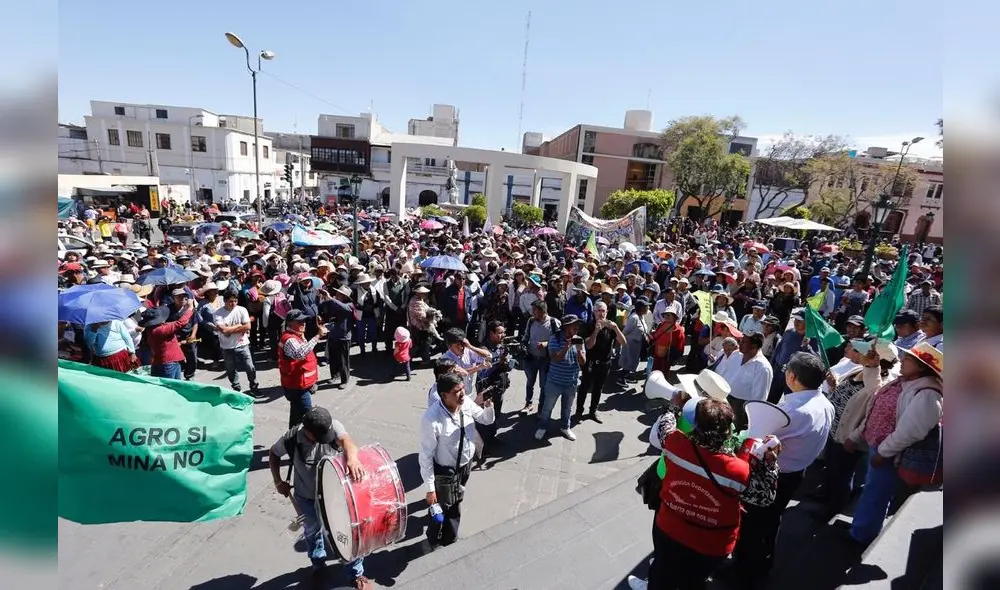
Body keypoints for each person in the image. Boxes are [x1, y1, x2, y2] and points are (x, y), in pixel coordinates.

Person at [628, 398, 780, 590]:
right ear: (729, 430)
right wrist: (771, 463)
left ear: (696, 426)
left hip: (669, 528)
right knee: (694, 581)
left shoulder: (676, 443)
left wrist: (675, 405)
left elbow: (664, 426)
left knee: (662, 571)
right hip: (712, 543)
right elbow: (765, 497)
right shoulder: (739, 470)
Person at [730, 352, 833, 584]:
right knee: (771, 520)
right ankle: (763, 562)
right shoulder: (824, 403)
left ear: (793, 377)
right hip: (796, 473)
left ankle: (744, 572)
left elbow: (759, 440)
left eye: (787, 369)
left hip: (775, 475)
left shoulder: (793, 411)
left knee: (753, 524)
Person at [845, 342, 942, 545]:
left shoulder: (928, 394)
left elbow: (910, 431)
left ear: (922, 367)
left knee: (876, 494)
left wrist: (884, 452)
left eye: (908, 359)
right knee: (872, 490)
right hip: (877, 446)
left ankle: (860, 537)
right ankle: (861, 527)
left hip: (889, 454)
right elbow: (876, 393)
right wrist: (872, 367)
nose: (903, 361)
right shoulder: (904, 381)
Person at [268, 407, 371, 589]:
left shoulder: (332, 427)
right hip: (306, 497)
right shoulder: (291, 439)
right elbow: (273, 454)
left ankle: (357, 574)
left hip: (335, 497)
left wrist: (353, 458)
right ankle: (318, 564)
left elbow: (347, 441)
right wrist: (278, 481)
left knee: (347, 532)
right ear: (308, 432)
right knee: (312, 532)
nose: (328, 437)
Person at [814, 338, 897, 520]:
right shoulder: (860, 370)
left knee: (842, 475)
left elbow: (868, 416)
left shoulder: (879, 384)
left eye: (865, 352)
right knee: (831, 468)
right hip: (835, 429)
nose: (858, 353)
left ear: (878, 359)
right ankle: (825, 496)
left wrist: (854, 437)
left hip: (848, 437)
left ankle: (832, 509)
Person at [419, 373, 495, 547]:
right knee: (450, 507)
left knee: (454, 501)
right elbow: (425, 455)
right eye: (457, 391)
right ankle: (445, 539)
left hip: (465, 465)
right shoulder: (431, 419)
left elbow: (486, 419)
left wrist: (489, 405)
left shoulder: (466, 402)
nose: (462, 394)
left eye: (462, 389)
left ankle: (443, 534)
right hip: (446, 470)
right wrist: (430, 489)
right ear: (444, 396)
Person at [535, 314, 586, 442]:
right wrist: (566, 348)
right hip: (554, 382)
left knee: (567, 408)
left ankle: (565, 427)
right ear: (566, 327)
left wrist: (580, 351)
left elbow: (583, 362)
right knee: (547, 408)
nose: (577, 327)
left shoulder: (579, 340)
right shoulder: (554, 338)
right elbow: (554, 358)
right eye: (574, 325)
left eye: (578, 325)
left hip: (571, 382)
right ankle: (542, 427)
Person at [575, 301, 625, 423]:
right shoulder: (588, 326)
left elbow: (623, 342)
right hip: (590, 363)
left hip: (605, 363)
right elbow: (589, 346)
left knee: (598, 388)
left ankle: (593, 411)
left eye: (603, 311)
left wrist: (616, 327)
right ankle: (579, 411)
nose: (601, 313)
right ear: (594, 312)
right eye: (598, 311)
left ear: (607, 312)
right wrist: (596, 331)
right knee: (584, 387)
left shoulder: (610, 327)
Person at [278, 309, 327, 429]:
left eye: (304, 321)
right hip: (296, 387)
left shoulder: (296, 336)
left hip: (299, 384)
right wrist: (318, 336)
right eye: (299, 321)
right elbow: (300, 353)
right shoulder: (289, 339)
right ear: (290, 323)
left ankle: (291, 440)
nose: (303, 324)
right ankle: (313, 441)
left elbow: (304, 349)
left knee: (296, 416)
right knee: (310, 416)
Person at [212, 288, 259, 394]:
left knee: (250, 367)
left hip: (242, 344)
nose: (233, 303)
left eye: (235, 301)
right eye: (230, 301)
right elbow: (223, 330)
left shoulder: (242, 310)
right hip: (227, 346)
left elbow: (247, 326)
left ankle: (254, 387)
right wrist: (239, 326)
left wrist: (231, 329)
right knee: (231, 369)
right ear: (225, 301)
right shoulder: (218, 313)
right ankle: (236, 389)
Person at [726, 332, 773, 430]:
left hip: (742, 408)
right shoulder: (736, 355)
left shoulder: (763, 368)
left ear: (754, 346)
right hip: (726, 398)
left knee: (735, 432)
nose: (739, 344)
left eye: (744, 342)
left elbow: (759, 397)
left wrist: (750, 416)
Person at [521, 299, 559, 414]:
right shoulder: (531, 321)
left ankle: (541, 408)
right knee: (530, 382)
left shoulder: (553, 323)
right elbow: (526, 336)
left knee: (544, 386)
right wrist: (522, 346)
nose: (532, 313)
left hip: (545, 360)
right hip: (531, 358)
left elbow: (558, 341)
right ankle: (528, 403)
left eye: (535, 310)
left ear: (543, 311)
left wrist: (546, 344)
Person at [141, 301, 195, 380]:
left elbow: (172, 324)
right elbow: (180, 323)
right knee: (171, 387)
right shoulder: (159, 330)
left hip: (165, 362)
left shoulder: (151, 329)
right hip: (168, 364)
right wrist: (190, 308)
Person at [441, 328, 492, 401]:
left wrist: (470, 346)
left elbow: (488, 356)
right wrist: (478, 367)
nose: (461, 347)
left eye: (462, 344)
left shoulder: (467, 351)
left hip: (469, 395)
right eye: (457, 345)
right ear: (449, 346)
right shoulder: (445, 359)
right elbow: (461, 373)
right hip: (455, 398)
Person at [322, 285, 355, 389]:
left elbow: (342, 307)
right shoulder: (334, 303)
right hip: (333, 334)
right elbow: (324, 309)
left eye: (340, 294)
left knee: (343, 360)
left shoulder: (349, 305)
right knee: (333, 358)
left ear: (345, 297)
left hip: (344, 337)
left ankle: (344, 380)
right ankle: (334, 376)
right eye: (337, 293)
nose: (337, 295)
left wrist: (331, 299)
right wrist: (325, 299)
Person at [620, 297, 651, 379]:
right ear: (641, 308)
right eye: (646, 306)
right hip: (630, 345)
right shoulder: (634, 318)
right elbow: (625, 332)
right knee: (628, 362)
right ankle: (622, 379)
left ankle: (627, 377)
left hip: (637, 345)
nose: (648, 308)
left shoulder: (641, 316)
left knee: (633, 362)